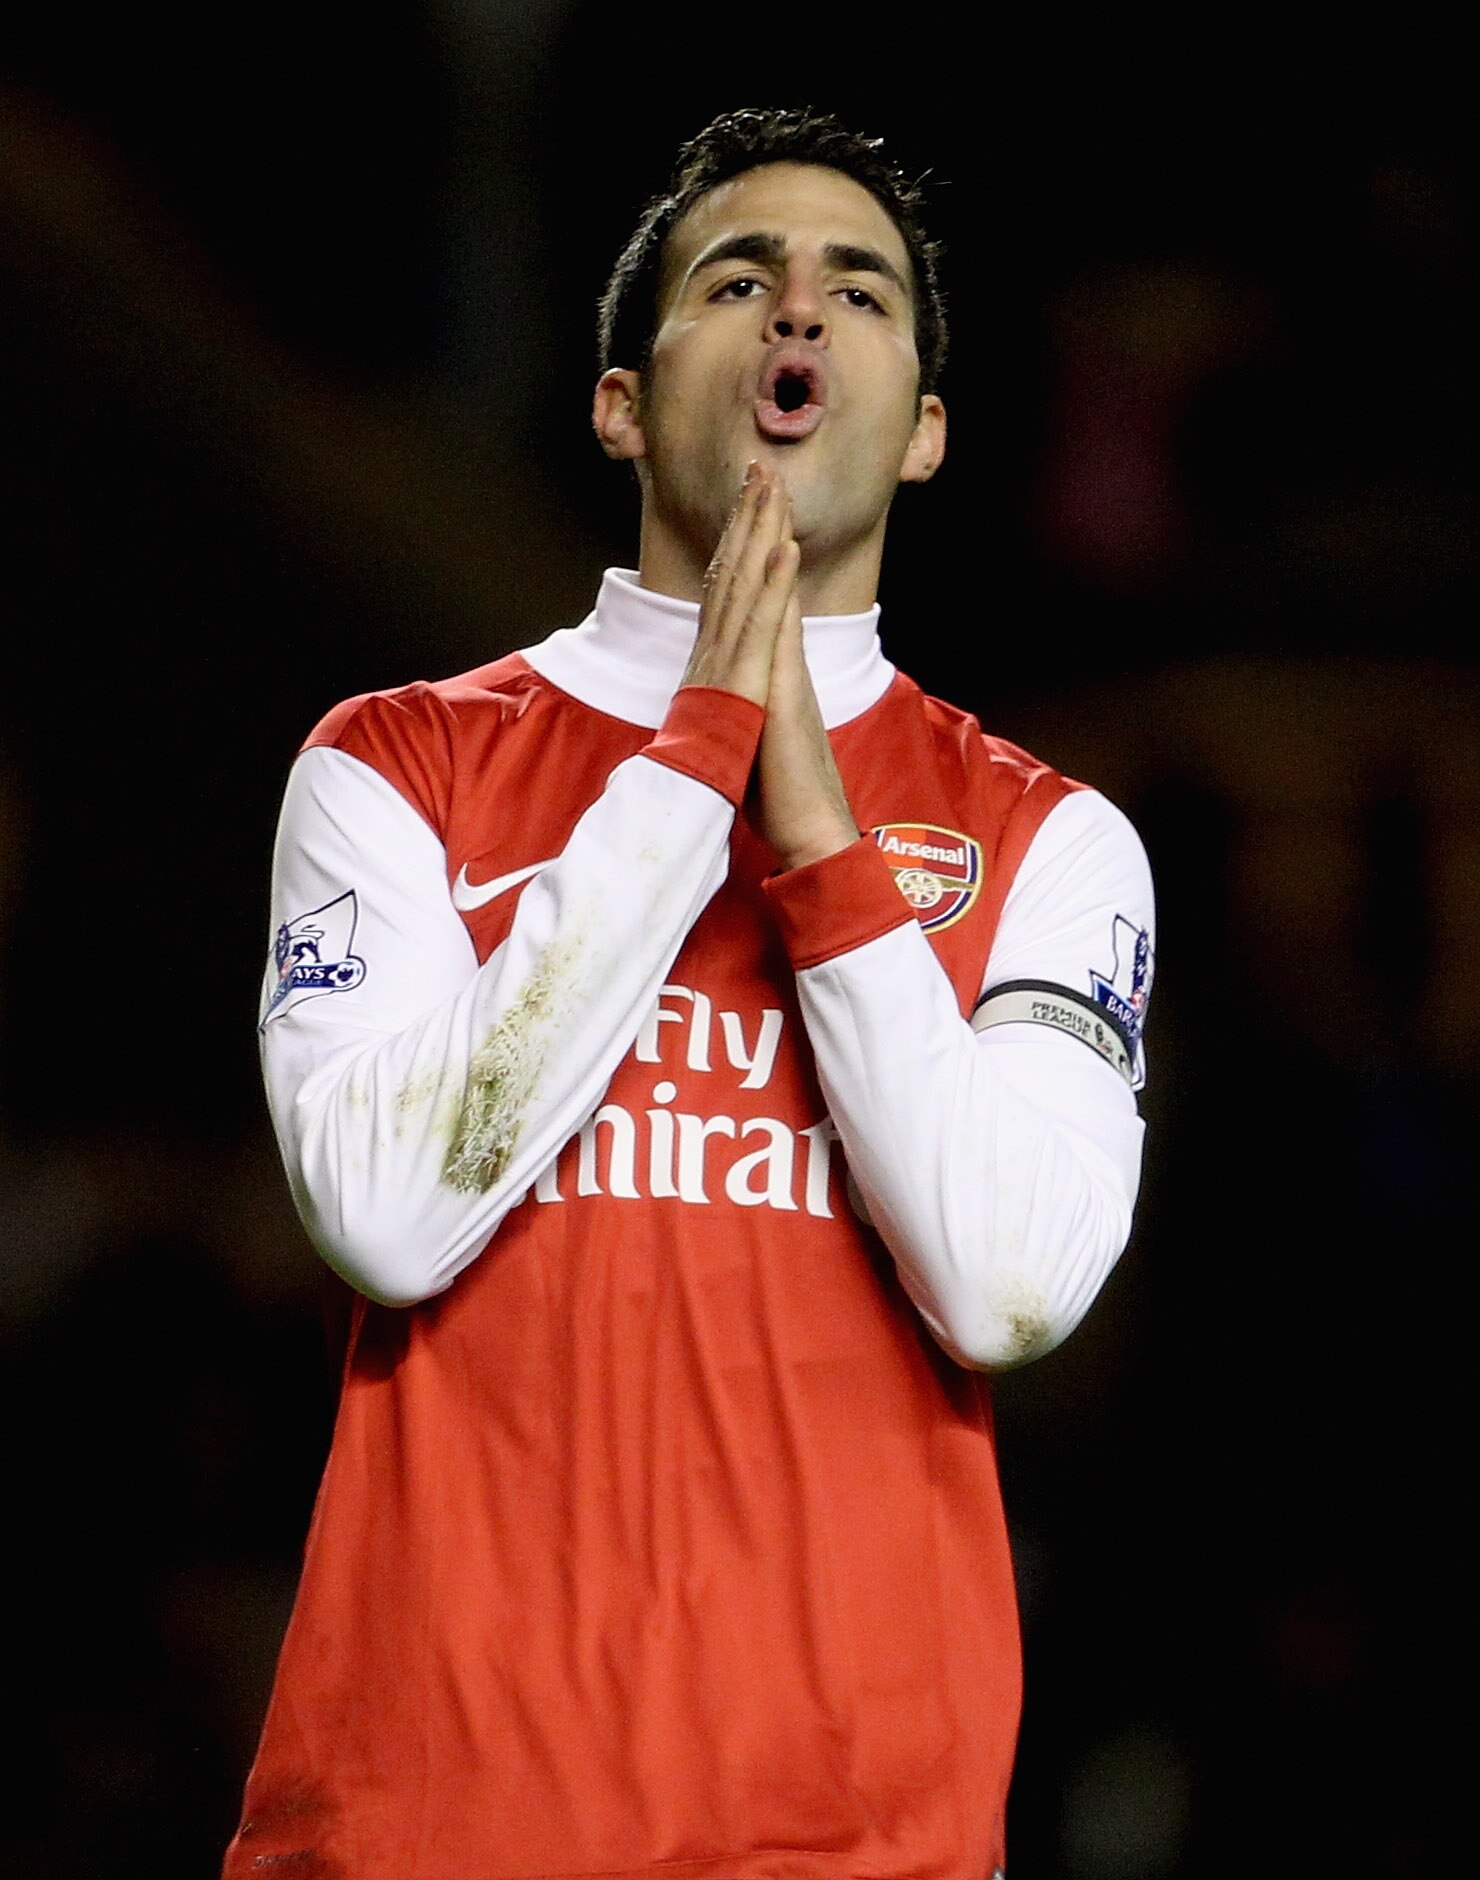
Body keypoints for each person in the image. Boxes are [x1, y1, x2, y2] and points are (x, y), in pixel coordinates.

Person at [223, 107, 1155, 1880]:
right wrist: (696, 754)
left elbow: (1007, 1282)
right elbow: (386, 1215)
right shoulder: (393, 768)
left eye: (858, 292)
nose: (800, 315)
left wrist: (809, 825)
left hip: (847, 1841)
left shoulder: (1053, 841)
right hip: (430, 1828)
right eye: (741, 279)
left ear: (932, 430)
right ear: (622, 403)